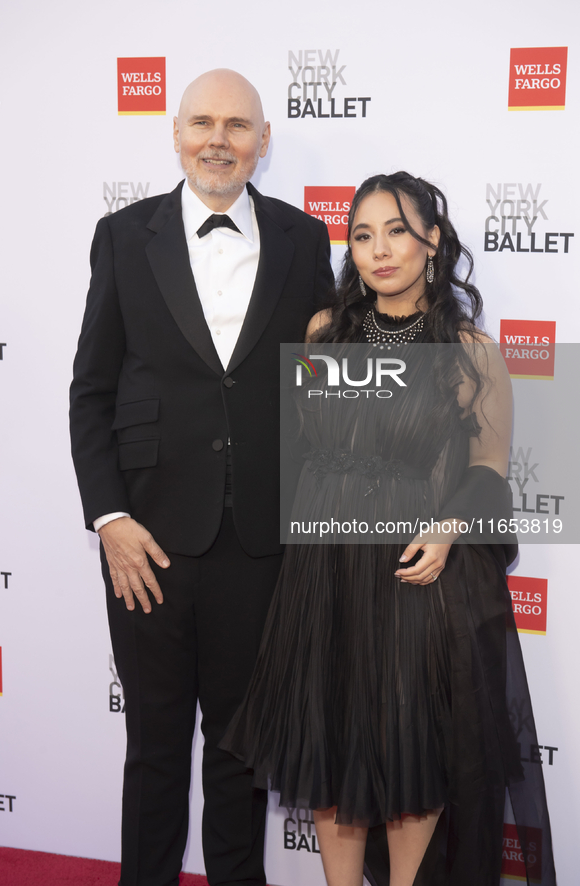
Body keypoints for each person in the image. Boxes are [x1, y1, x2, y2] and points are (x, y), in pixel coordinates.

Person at [220, 172, 556, 886]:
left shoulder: (470, 352)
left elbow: (490, 469)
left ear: (431, 241)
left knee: (411, 752)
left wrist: (445, 530)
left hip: (414, 573)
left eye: (397, 231)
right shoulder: (321, 334)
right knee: (332, 747)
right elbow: (300, 453)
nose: (378, 250)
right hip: (326, 573)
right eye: (363, 234)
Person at [69, 69, 334, 886]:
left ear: (262, 141)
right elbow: (92, 390)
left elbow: (326, 382)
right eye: (202, 122)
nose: (219, 138)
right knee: (152, 750)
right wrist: (109, 518)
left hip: (262, 542)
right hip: (146, 542)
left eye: (237, 124)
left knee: (239, 752)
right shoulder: (122, 235)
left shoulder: (303, 238)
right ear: (176, 133)